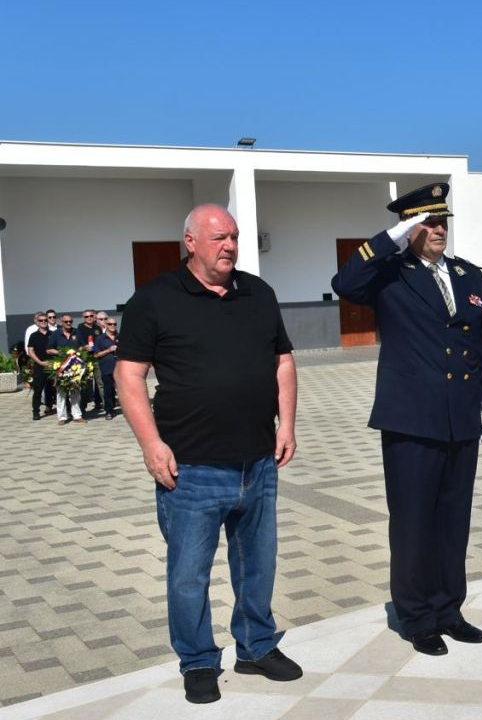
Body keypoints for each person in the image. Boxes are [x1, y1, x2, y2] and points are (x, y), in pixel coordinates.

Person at [116, 204, 301, 704]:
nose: (231, 246)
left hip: (258, 461)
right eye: (219, 237)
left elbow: (283, 360)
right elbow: (128, 374)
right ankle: (198, 658)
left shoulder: (258, 293)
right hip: (191, 469)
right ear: (190, 242)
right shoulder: (154, 299)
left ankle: (257, 646)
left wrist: (288, 423)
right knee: (189, 573)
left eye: (235, 237)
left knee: (258, 566)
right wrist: (152, 444)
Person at [332, 182, 482, 657]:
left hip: (461, 417)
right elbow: (344, 284)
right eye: (426, 222)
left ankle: (449, 609)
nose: (437, 229)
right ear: (408, 227)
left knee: (453, 521)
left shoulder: (469, 275)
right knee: (413, 523)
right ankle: (416, 616)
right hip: (410, 419)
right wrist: (391, 238)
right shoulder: (389, 275)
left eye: (441, 220)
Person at [48, 313, 85, 424]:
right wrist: (62, 353)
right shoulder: (55, 334)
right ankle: (62, 417)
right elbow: (49, 349)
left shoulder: (77, 332)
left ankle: (77, 415)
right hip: (61, 366)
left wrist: (79, 351)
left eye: (70, 321)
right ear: (61, 322)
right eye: (66, 322)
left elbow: (83, 346)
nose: (68, 323)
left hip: (75, 366)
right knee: (61, 392)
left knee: (75, 391)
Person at [25, 312, 52, 421]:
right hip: (40, 366)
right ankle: (36, 411)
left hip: (53, 365)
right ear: (37, 322)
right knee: (38, 390)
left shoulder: (53, 334)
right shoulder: (34, 335)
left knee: (53, 388)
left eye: (45, 320)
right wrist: (40, 362)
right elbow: (30, 351)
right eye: (41, 320)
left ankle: (50, 406)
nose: (44, 322)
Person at [94, 315, 121, 419]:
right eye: (110, 324)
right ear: (105, 325)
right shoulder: (100, 339)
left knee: (123, 389)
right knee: (108, 390)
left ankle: (128, 409)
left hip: (120, 367)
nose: (112, 326)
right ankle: (109, 411)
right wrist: (108, 350)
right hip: (107, 367)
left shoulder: (120, 337)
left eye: (114, 324)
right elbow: (96, 355)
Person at [77, 309, 103, 414]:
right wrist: (84, 348)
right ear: (84, 318)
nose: (89, 318)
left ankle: (106, 406)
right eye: (87, 316)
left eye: (91, 316)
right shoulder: (80, 328)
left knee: (100, 383)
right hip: (85, 359)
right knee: (85, 384)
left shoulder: (98, 328)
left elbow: (101, 341)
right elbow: (77, 344)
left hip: (97, 358)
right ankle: (82, 408)